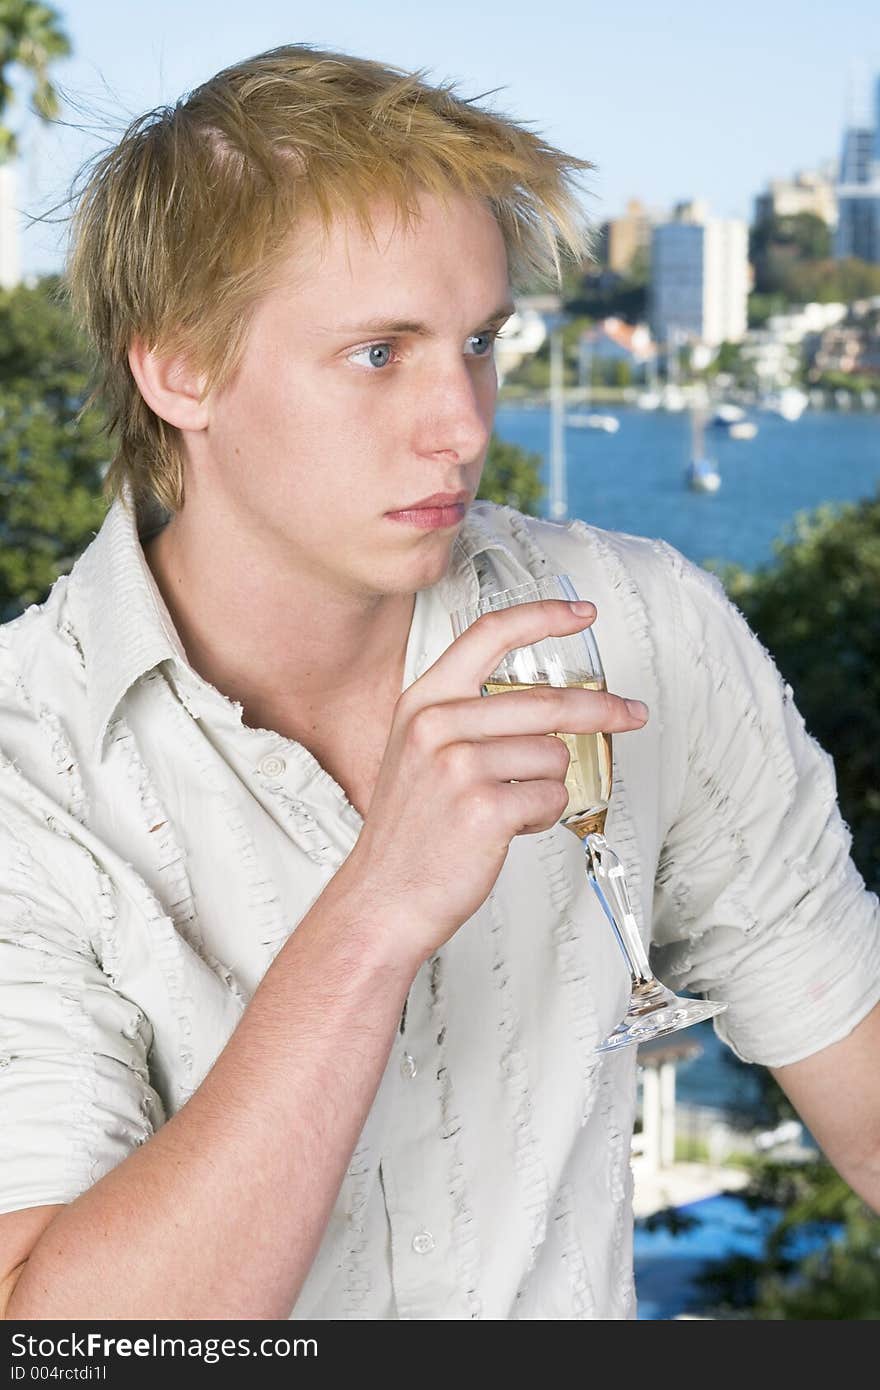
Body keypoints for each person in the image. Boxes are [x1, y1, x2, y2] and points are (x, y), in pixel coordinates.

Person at [1, 43, 878, 1323]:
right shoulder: (27, 758)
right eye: (377, 354)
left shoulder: (638, 625)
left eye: (478, 341)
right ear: (178, 367)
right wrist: (373, 917)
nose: (463, 424)